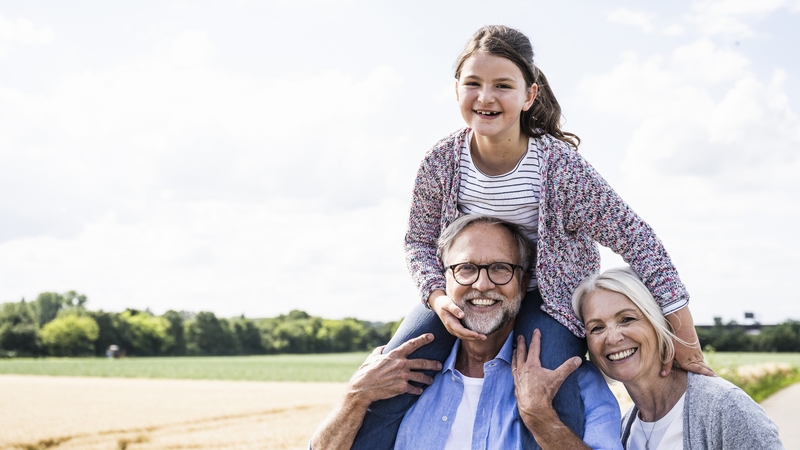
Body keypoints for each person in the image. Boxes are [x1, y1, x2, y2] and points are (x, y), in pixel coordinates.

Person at [353, 24, 713, 449]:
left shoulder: (561, 169)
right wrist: (436, 296)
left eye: (503, 86)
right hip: (470, 289)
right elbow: (418, 240)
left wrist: (686, 339)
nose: (485, 97)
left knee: (552, 388)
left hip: (550, 299)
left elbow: (640, 242)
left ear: (529, 96)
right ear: (456, 90)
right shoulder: (441, 162)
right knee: (392, 371)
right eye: (473, 83)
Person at [312, 215, 622, 449]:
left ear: (523, 281)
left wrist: (541, 417)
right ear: (443, 278)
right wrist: (354, 398)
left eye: (500, 268)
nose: (482, 285)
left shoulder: (572, 381)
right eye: (466, 268)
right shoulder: (396, 373)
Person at [572, 267, 784, 450]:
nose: (612, 338)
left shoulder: (724, 408)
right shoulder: (624, 429)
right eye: (597, 328)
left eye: (627, 319)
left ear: (660, 323)